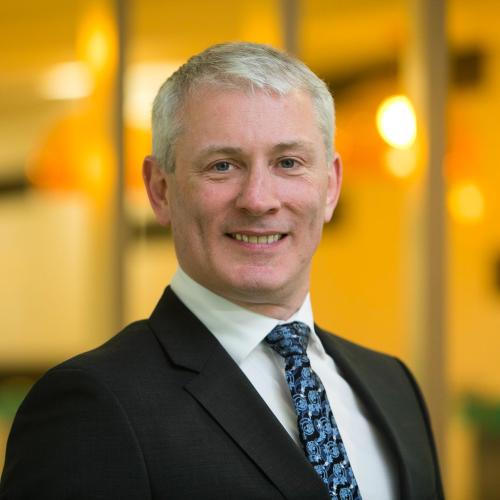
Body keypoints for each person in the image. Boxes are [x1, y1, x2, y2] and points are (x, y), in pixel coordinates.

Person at [0, 42, 443, 500]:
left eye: (288, 163)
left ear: (330, 186)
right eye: (223, 166)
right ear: (160, 189)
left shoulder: (393, 387)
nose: (259, 199)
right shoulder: (91, 405)